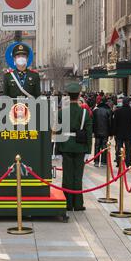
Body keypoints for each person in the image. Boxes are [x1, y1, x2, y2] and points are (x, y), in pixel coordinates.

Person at [56, 83, 93, 213]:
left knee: (67, 176)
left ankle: (67, 203)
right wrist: (88, 150)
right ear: (79, 96)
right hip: (80, 147)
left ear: (67, 96)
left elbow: (57, 133)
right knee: (78, 176)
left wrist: (57, 151)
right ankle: (78, 204)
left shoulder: (61, 113)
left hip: (65, 146)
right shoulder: (84, 113)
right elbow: (89, 133)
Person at [112, 97, 131, 168]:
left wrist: (114, 132)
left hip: (119, 133)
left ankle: (118, 162)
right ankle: (128, 162)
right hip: (128, 133)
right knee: (128, 149)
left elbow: (115, 123)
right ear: (129, 103)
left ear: (122, 103)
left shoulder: (117, 111)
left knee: (119, 148)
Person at [92, 97, 112, 167]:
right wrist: (111, 133)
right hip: (106, 131)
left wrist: (93, 131)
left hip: (97, 131)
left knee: (97, 146)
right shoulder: (109, 110)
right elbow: (110, 123)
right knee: (104, 146)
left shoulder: (95, 110)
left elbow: (93, 122)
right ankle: (104, 162)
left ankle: (96, 161)